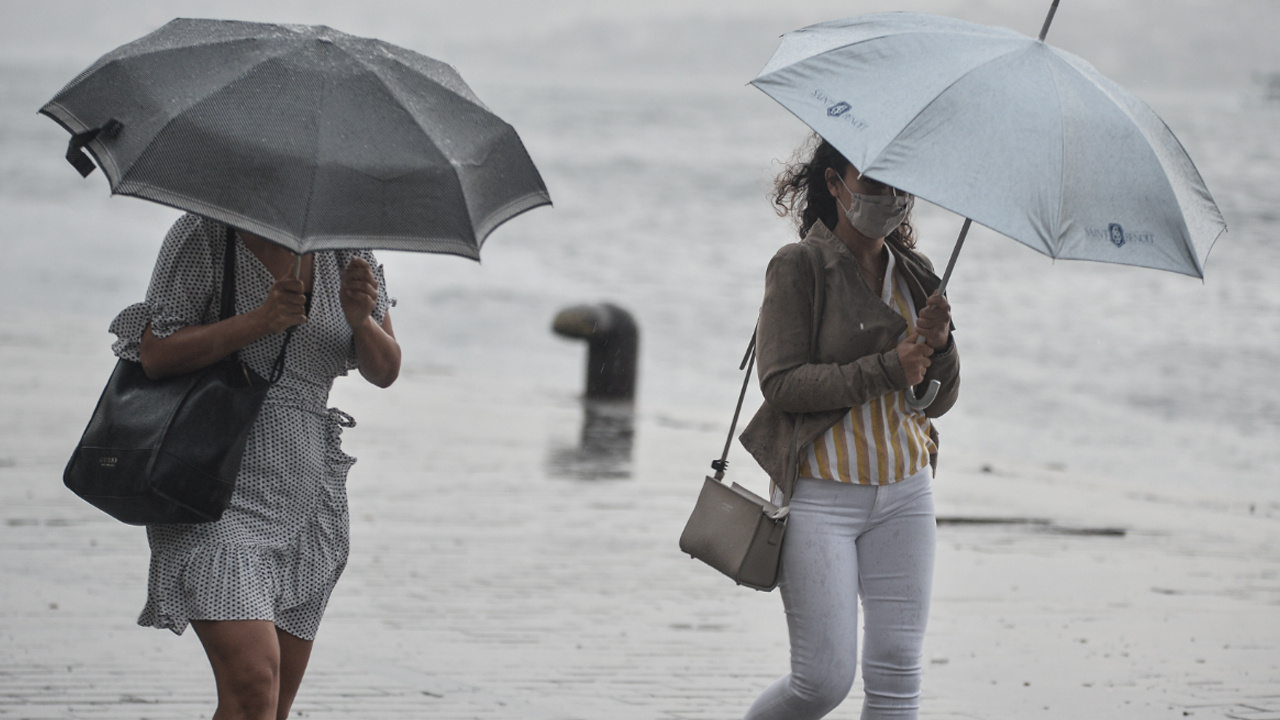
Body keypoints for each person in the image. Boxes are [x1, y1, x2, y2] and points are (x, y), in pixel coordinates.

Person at [109, 213, 401, 720]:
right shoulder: (204, 234)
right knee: (252, 685)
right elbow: (155, 354)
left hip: (309, 498)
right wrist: (258, 321)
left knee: (272, 705)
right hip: (211, 484)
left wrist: (361, 319)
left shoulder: (349, 252)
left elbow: (386, 369)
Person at [738, 135, 960, 720]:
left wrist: (939, 348)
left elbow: (939, 401)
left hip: (907, 492)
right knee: (822, 683)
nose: (889, 197)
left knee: (897, 679)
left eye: (899, 185)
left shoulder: (916, 273)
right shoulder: (799, 266)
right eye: (874, 182)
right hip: (820, 496)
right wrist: (889, 367)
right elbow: (781, 383)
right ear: (835, 185)